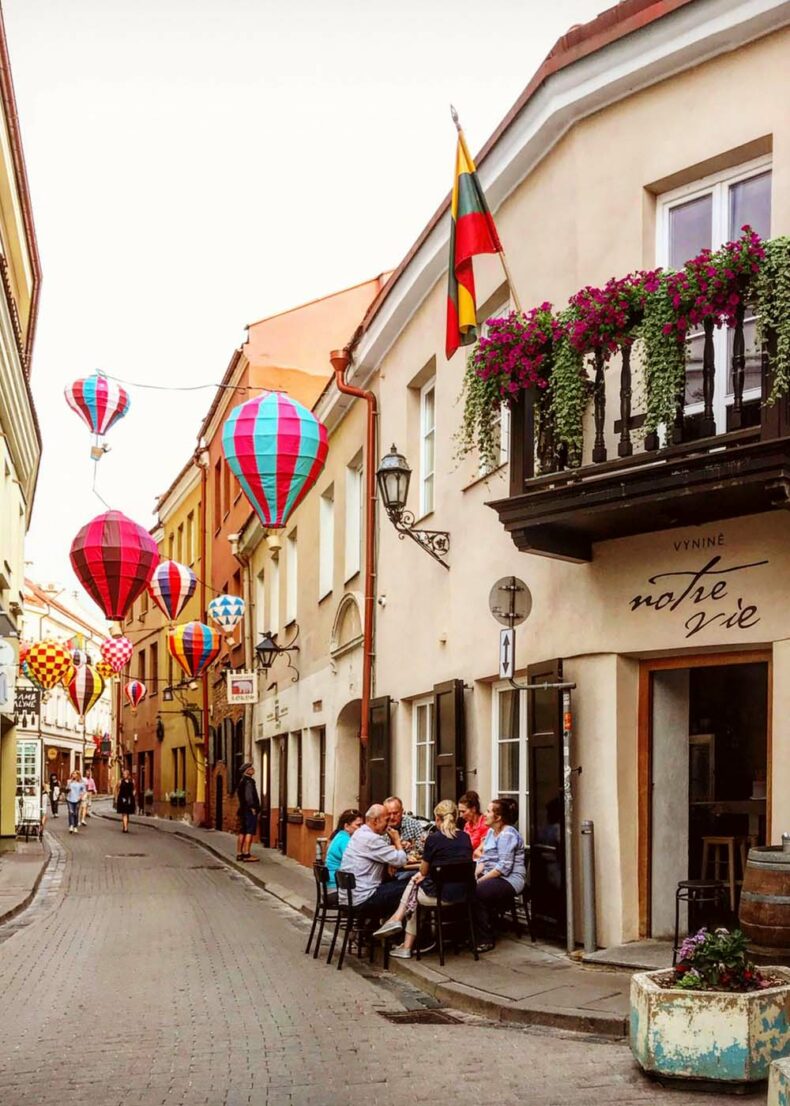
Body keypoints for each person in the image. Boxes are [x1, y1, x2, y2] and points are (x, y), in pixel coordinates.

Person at [373, 799, 473, 958]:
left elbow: (423, 870)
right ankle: (405, 935)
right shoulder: (466, 837)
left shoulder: (434, 839)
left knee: (413, 887)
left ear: (437, 819)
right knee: (415, 885)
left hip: (440, 896)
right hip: (465, 894)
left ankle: (399, 928)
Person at [474, 797, 527, 952]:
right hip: (493, 875)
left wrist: (480, 880)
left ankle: (486, 939)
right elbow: (484, 858)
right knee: (466, 886)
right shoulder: (492, 832)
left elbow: (503, 868)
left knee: (477, 892)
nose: (485, 814)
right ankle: (472, 933)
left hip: (510, 879)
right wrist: (475, 873)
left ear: (498, 818)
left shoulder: (508, 835)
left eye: (489, 811)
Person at [339, 804, 408, 917]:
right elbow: (401, 861)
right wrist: (397, 840)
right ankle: (396, 926)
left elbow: (380, 854)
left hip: (349, 897)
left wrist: (389, 860)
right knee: (412, 885)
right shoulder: (372, 839)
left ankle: (380, 926)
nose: (389, 823)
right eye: (386, 820)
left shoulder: (359, 833)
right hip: (363, 899)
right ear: (376, 821)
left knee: (397, 885)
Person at [325, 808, 363, 889]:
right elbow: (355, 862)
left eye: (362, 825)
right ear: (346, 826)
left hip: (331, 884)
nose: (361, 829)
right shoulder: (345, 840)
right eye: (358, 825)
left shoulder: (339, 836)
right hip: (337, 886)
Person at [235, 762, 260, 863]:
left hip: (242, 809)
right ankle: (246, 853)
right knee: (249, 831)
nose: (253, 769)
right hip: (249, 810)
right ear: (247, 771)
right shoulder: (249, 782)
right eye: (251, 768)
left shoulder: (241, 781)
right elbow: (249, 796)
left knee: (242, 831)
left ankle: (239, 853)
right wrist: (252, 807)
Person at [115, 768, 136, 833]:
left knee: (127, 813)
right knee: (124, 813)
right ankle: (125, 828)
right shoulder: (120, 781)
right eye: (123, 774)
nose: (124, 775)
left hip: (129, 799)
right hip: (122, 798)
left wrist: (133, 795)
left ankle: (125, 825)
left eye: (125, 774)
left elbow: (134, 789)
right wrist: (116, 798)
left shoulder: (132, 781)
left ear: (128, 775)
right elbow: (117, 789)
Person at [65, 770, 86, 834]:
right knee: (71, 812)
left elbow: (84, 790)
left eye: (75, 774)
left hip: (77, 799)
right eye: (73, 774)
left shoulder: (81, 783)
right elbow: (66, 789)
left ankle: (75, 826)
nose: (73, 775)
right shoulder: (69, 781)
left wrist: (81, 796)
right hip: (69, 798)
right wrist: (68, 787)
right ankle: (71, 825)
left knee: (76, 813)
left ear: (78, 775)